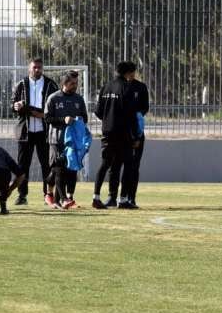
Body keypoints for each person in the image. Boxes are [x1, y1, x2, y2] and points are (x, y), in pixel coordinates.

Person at [11, 57, 57, 205]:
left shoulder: (50, 84)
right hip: (26, 132)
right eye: (34, 67)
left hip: (44, 132)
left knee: (47, 165)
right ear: (29, 68)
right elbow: (12, 106)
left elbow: (55, 107)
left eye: (39, 67)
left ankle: (48, 195)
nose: (37, 70)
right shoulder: (21, 84)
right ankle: (22, 195)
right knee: (23, 165)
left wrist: (40, 114)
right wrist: (16, 106)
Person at [92, 61, 138, 210]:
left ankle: (96, 197)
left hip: (107, 132)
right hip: (123, 133)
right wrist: (135, 136)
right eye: (133, 72)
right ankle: (123, 199)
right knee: (129, 164)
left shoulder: (106, 87)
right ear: (129, 73)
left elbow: (98, 112)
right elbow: (131, 114)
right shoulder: (127, 88)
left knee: (106, 164)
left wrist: (108, 119)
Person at [44, 70, 88, 209]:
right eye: (72, 83)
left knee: (71, 169)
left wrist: (79, 120)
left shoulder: (79, 99)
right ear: (64, 83)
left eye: (76, 83)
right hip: (56, 140)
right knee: (59, 169)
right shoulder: (53, 98)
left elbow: (84, 118)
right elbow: (47, 118)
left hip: (73, 141)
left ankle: (62, 197)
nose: (75, 86)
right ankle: (62, 199)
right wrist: (64, 120)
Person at [107, 69, 150, 209]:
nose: (130, 75)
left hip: (134, 133)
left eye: (133, 72)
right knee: (115, 166)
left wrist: (135, 124)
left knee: (133, 166)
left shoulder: (140, 87)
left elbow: (144, 108)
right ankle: (112, 197)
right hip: (117, 134)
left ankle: (130, 198)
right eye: (128, 72)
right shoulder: (113, 87)